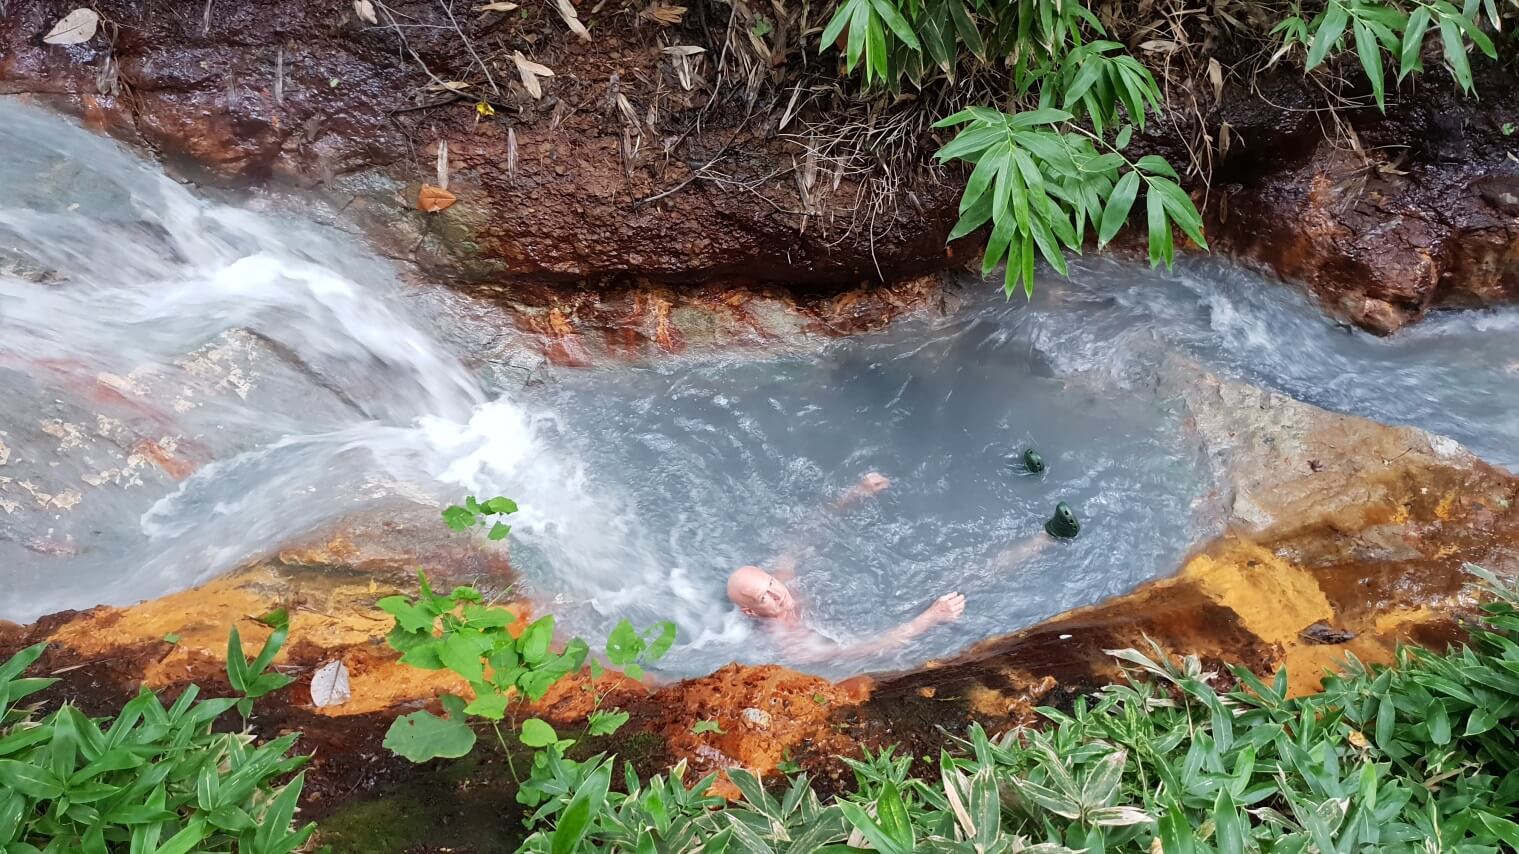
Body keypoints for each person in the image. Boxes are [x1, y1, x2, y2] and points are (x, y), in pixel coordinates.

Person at [726, 472, 1053, 662]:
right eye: (763, 597)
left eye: (770, 583)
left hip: (882, 590)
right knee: (962, 584)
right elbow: (869, 648)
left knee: (947, 566)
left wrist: (855, 493)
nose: (777, 594)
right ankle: (1040, 546)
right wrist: (931, 617)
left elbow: (809, 529)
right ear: (750, 613)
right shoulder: (791, 642)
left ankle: (1040, 539)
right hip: (893, 617)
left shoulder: (784, 580)